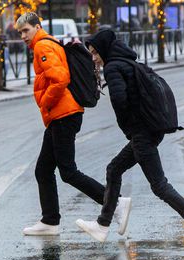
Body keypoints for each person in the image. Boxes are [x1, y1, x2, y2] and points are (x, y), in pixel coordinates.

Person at [75, 29, 184, 255]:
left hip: (141, 132)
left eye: (95, 53)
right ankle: (103, 224)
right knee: (114, 169)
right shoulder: (128, 62)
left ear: (103, 50)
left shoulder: (113, 67)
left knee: (160, 186)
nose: (93, 58)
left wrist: (129, 127)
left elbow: (120, 101)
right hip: (150, 129)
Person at [15, 12, 132, 236]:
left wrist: (45, 103)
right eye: (20, 32)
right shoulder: (49, 43)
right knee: (44, 169)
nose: (22, 36)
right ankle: (50, 221)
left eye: (26, 30)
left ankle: (115, 203)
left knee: (68, 171)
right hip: (63, 114)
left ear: (37, 27)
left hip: (63, 114)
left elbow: (60, 79)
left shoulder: (42, 47)